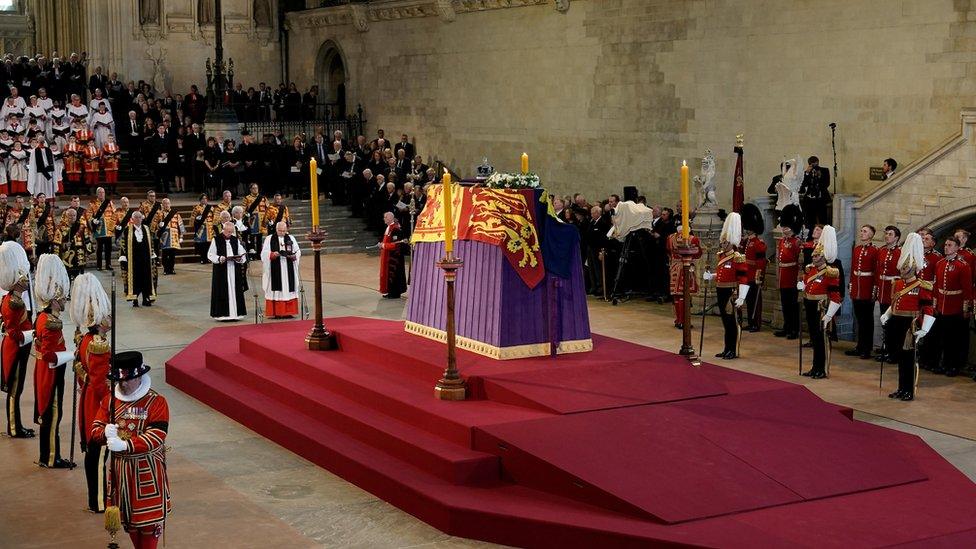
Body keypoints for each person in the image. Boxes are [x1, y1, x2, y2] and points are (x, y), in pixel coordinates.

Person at [90, 350, 171, 549]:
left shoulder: (156, 402)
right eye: (119, 380)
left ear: (139, 376)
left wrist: (126, 445)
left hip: (146, 473)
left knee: (148, 526)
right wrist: (103, 432)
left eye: (128, 379)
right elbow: (95, 429)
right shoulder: (110, 401)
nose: (123, 384)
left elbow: (157, 436)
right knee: (130, 525)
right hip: (120, 475)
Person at [68, 273, 111, 512]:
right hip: (97, 404)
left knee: (94, 454)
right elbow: (99, 383)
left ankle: (96, 498)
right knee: (98, 453)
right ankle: (98, 501)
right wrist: (112, 403)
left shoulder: (86, 339)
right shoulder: (99, 343)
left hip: (88, 400)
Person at [32, 253, 75, 468]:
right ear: (55, 299)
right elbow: (50, 354)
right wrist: (71, 355)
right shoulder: (51, 323)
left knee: (49, 414)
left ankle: (47, 455)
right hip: (51, 371)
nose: (65, 300)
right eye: (63, 297)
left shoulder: (43, 318)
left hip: (44, 369)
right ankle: (50, 457)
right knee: (52, 414)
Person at [880, 233, 933, 402]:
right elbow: (895, 302)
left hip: (910, 325)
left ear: (912, 268)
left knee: (909, 359)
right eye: (902, 267)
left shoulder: (921, 285)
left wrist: (925, 328)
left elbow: (928, 308)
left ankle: (908, 390)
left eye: (905, 267)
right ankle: (901, 388)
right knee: (900, 359)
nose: (902, 270)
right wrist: (887, 314)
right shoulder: (898, 283)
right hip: (896, 321)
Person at [798, 225, 842, 379]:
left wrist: (829, 315)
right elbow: (806, 284)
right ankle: (814, 367)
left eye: (816, 256)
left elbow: (836, 296)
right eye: (814, 256)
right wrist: (802, 285)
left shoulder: (831, 273)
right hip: (810, 305)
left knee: (821, 339)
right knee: (814, 338)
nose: (813, 258)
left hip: (821, 308)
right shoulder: (811, 270)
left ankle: (821, 368)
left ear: (823, 257)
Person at [0, 241, 34, 439]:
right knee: (14, 390)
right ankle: (14, 426)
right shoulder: (13, 302)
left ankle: (17, 424)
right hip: (15, 347)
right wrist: (33, 335)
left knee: (18, 388)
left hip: (19, 346)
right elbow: (14, 331)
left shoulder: (15, 299)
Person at [703, 213, 748, 359]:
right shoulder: (721, 256)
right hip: (720, 289)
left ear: (730, 242)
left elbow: (743, 277)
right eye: (722, 242)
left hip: (731, 291)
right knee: (724, 320)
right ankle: (726, 348)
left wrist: (742, 296)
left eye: (724, 242)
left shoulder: (737, 257)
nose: (722, 244)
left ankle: (732, 350)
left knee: (731, 322)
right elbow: (721, 273)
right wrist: (711, 276)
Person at [928, 235, 973, 377]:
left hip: (955, 307)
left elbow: (967, 290)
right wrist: (935, 304)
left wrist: (966, 308)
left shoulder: (963, 265)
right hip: (942, 305)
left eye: (950, 245)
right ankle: (944, 363)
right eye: (946, 244)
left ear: (957, 248)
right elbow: (936, 287)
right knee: (943, 338)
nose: (946, 247)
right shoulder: (940, 263)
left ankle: (953, 365)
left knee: (954, 339)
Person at [846, 224, 878, 359]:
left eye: (865, 231)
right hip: (857, 288)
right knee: (859, 319)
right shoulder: (857, 249)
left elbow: (876, 271)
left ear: (871, 235)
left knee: (867, 320)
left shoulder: (875, 250)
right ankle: (859, 346)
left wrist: (874, 290)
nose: (862, 233)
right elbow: (853, 268)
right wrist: (852, 285)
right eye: (861, 231)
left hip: (867, 288)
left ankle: (867, 348)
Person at [208, 221, 248, 321]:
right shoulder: (216, 240)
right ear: (223, 230)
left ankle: (236, 314)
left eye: (231, 232)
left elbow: (242, 252)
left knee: (235, 290)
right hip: (221, 270)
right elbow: (210, 254)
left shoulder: (235, 240)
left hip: (234, 269)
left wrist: (240, 258)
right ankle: (222, 315)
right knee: (222, 290)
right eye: (228, 232)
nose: (230, 234)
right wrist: (219, 258)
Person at [261, 221, 301, 318]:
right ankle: (277, 312)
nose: (282, 233)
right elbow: (264, 253)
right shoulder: (269, 238)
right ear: (276, 229)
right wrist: (272, 254)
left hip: (288, 267)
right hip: (275, 268)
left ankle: (288, 312)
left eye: (284, 231)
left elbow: (297, 251)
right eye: (280, 231)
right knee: (277, 289)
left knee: (288, 288)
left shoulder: (291, 238)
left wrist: (294, 256)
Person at [774, 205, 802, 339]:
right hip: (783, 274)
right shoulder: (781, 241)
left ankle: (794, 329)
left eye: (786, 227)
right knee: (785, 303)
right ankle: (787, 326)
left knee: (792, 304)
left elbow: (799, 261)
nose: (784, 229)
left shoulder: (796, 242)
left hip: (792, 275)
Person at [874, 225, 901, 361]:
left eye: (890, 234)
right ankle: (887, 349)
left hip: (893, 291)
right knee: (885, 322)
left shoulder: (900, 252)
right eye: (886, 234)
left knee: (893, 324)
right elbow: (878, 271)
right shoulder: (882, 251)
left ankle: (894, 353)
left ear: (896, 237)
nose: (887, 236)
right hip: (883, 290)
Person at [119, 211, 156, 307]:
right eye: (136, 217)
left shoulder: (146, 229)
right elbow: (123, 244)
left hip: (145, 259)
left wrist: (152, 254)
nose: (138, 219)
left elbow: (151, 242)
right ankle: (134, 299)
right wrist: (123, 257)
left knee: (146, 278)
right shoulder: (127, 230)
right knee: (134, 279)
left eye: (140, 217)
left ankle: (146, 298)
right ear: (132, 219)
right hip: (133, 260)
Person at [666, 226, 701, 329]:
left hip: (674, 267)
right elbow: (698, 253)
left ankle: (678, 320)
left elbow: (668, 251)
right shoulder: (692, 239)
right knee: (684, 294)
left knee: (676, 295)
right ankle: (684, 321)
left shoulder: (670, 238)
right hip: (685, 267)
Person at [740, 204, 767, 332]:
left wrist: (759, 276)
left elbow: (761, 262)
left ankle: (756, 323)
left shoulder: (758, 243)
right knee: (749, 301)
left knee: (755, 301)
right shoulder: (747, 242)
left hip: (753, 276)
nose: (747, 230)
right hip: (746, 275)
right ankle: (750, 322)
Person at [53, 207, 88, 279]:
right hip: (66, 260)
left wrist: (87, 253)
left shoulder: (81, 227)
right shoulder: (60, 229)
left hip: (79, 257)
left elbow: (87, 240)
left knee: (79, 280)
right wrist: (64, 245)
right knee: (66, 280)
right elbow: (56, 244)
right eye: (70, 215)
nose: (72, 217)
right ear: (66, 216)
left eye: (74, 215)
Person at [799, 156, 831, 233]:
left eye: (815, 164)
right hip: (809, 200)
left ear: (818, 162)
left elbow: (826, 184)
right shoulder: (806, 173)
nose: (814, 166)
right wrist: (806, 173)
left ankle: (824, 235)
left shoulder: (824, 170)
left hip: (821, 199)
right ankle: (810, 236)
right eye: (812, 164)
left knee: (823, 219)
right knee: (810, 221)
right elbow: (802, 186)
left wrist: (820, 177)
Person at [86, 186, 115, 271]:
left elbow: (115, 213)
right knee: (99, 249)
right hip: (99, 229)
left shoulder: (109, 203)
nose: (101, 194)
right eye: (100, 193)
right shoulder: (92, 203)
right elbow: (88, 215)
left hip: (108, 228)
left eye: (103, 192)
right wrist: (93, 220)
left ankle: (108, 264)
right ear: (97, 194)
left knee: (108, 249)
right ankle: (99, 265)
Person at [156, 198, 184, 275]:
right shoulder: (159, 214)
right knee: (165, 254)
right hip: (164, 237)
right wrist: (159, 225)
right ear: (162, 205)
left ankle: (172, 269)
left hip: (174, 237)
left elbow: (181, 226)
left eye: (168, 203)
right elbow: (154, 226)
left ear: (170, 204)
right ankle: (165, 269)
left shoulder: (176, 213)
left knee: (172, 255)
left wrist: (181, 236)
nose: (166, 205)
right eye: (165, 203)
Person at [241, 182, 268, 257]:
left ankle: (259, 254)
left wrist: (267, 218)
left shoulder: (263, 198)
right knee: (251, 238)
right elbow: (243, 209)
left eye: (256, 188)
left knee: (259, 238)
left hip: (261, 221)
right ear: (250, 189)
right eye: (253, 188)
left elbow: (268, 209)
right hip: (252, 221)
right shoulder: (247, 198)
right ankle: (252, 256)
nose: (255, 190)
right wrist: (246, 214)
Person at [192, 193, 215, 264]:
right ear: (200, 200)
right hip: (201, 229)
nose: (204, 200)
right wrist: (197, 220)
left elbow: (214, 217)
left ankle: (208, 258)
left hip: (210, 228)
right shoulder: (197, 208)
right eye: (203, 199)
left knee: (209, 244)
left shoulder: (211, 208)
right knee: (202, 244)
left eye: (205, 199)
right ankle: (202, 258)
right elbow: (192, 219)